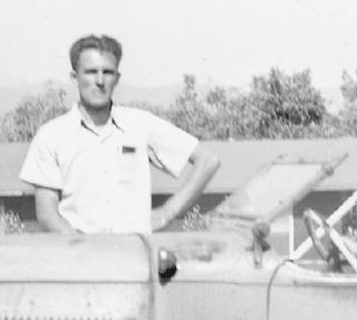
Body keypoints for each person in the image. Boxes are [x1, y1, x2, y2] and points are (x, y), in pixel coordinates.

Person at [20, 34, 220, 234]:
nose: (99, 81)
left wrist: (167, 212)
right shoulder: (51, 135)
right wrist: (82, 248)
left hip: (134, 250)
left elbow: (207, 161)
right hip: (78, 252)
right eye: (90, 72)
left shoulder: (140, 124)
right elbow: (47, 214)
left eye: (107, 72)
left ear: (117, 78)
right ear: (75, 77)